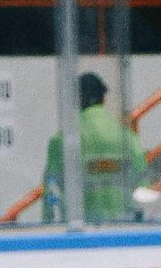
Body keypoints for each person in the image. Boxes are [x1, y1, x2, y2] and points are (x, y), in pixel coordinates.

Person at [44, 73, 155, 224]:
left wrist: (48, 224)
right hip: (124, 228)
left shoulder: (61, 141)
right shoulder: (128, 137)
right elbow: (143, 186)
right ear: (104, 99)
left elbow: (51, 191)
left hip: (80, 231)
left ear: (76, 100)